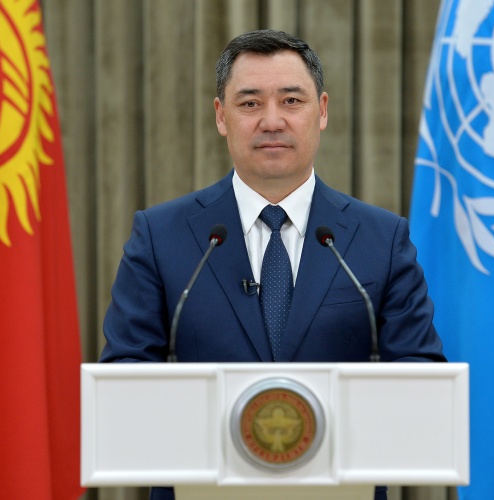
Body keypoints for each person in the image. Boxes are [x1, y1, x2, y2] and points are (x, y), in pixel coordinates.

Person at [101, 29, 446, 500]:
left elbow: (419, 376)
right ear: (220, 116)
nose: (271, 121)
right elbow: (125, 377)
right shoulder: (161, 236)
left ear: (322, 110)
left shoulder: (381, 239)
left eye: (291, 101)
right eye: (249, 104)